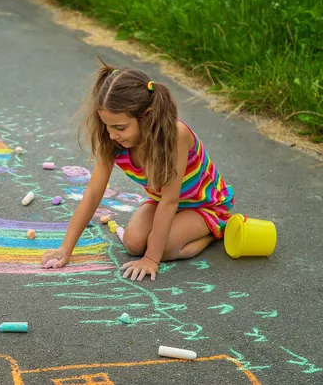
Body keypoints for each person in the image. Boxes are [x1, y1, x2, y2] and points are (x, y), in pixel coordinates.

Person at [40, 62, 235, 281]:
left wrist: (151, 259)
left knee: (165, 249)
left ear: (147, 116)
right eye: (107, 125)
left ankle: (216, 230)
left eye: (120, 127)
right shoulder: (113, 141)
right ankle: (178, 235)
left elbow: (170, 201)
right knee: (133, 243)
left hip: (203, 204)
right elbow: (93, 194)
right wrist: (66, 248)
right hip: (161, 201)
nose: (112, 134)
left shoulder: (174, 135)